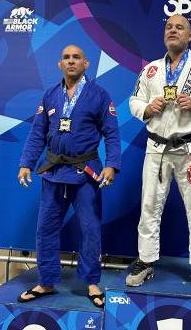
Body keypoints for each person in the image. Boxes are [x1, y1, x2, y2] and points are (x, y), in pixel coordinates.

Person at [128, 14, 191, 292]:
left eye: (180, 27)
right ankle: (145, 260)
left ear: (190, 36)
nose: (173, 30)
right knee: (149, 206)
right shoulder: (150, 70)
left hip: (190, 149)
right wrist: (147, 109)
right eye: (169, 27)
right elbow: (134, 101)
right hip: (157, 148)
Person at [17, 44, 121, 308]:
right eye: (66, 57)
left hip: (85, 172)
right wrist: (26, 163)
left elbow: (111, 132)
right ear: (59, 64)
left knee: (90, 228)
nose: (71, 61)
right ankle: (47, 281)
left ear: (86, 64)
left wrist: (112, 165)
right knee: (45, 228)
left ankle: (92, 282)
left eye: (76, 57)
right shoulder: (50, 96)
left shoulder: (99, 95)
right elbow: (37, 133)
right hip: (53, 171)